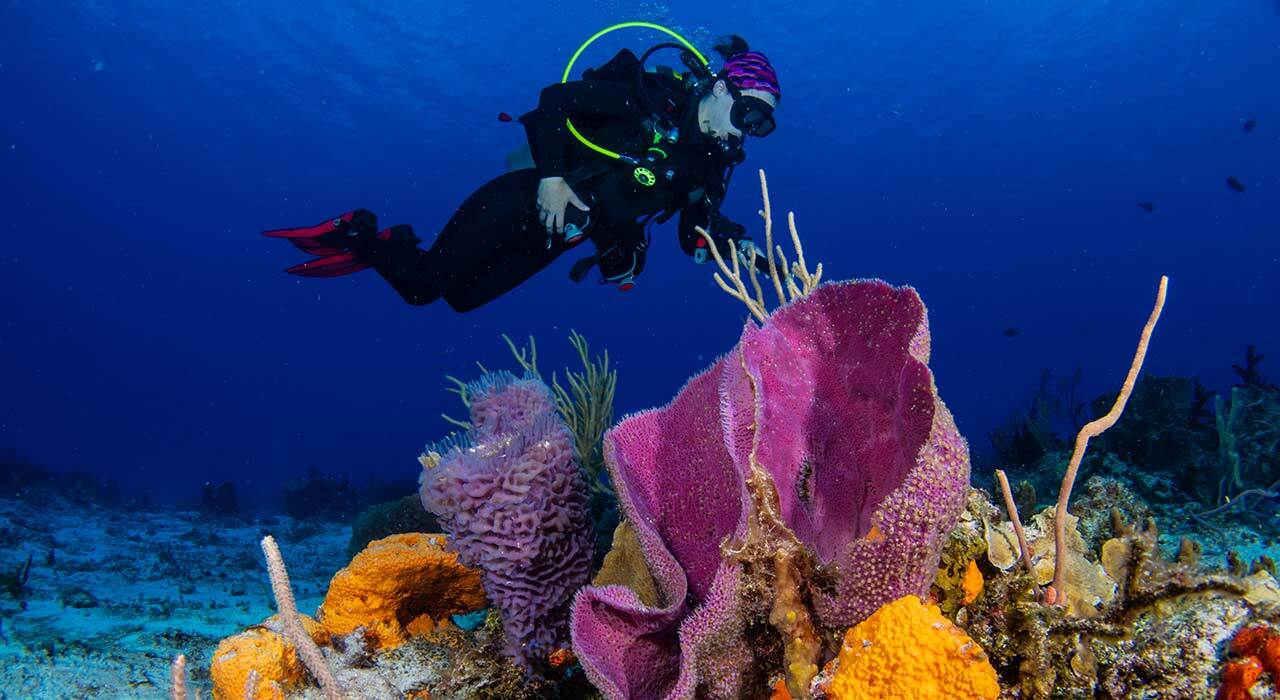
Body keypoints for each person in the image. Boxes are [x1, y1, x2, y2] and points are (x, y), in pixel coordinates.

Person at [263, 32, 780, 312]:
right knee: (423, 289)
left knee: (462, 300)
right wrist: (553, 179)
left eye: (761, 126)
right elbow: (555, 101)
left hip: (558, 240)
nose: (746, 133)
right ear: (720, 90)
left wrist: (759, 261)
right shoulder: (653, 102)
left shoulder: (712, 164)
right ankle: (360, 231)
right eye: (748, 114)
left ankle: (398, 241)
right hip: (525, 199)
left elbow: (698, 231)